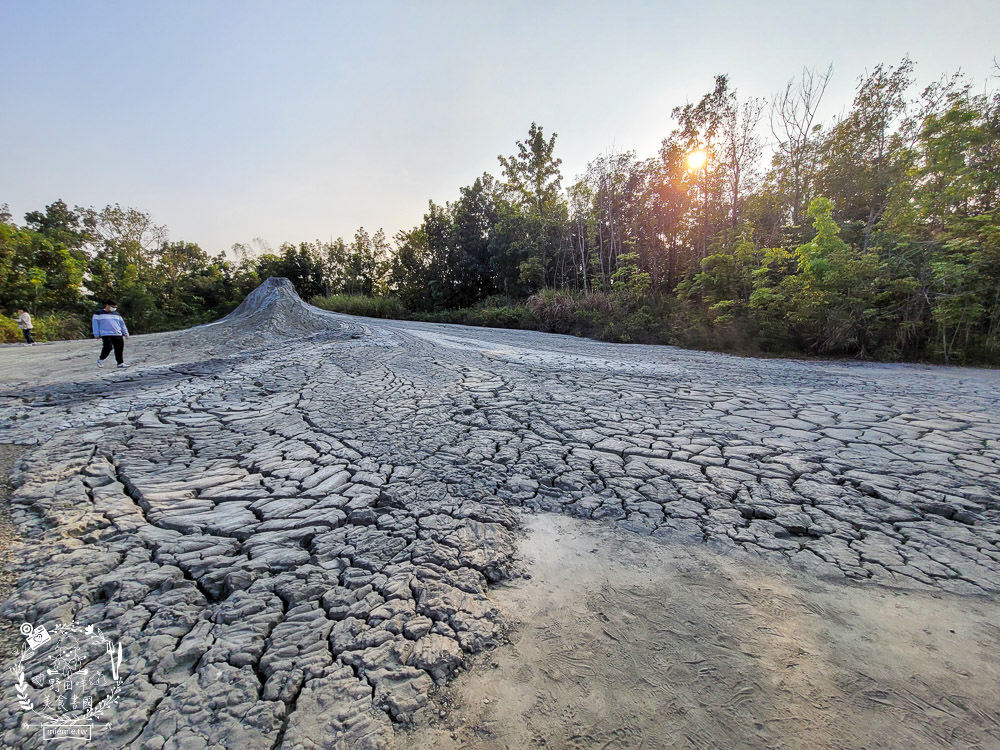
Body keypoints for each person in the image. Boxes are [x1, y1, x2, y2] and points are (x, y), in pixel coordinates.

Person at [92, 300, 129, 369]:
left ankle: (120, 363)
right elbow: (95, 324)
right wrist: (96, 333)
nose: (114, 308)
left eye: (115, 307)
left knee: (119, 348)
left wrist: (125, 333)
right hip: (106, 333)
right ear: (107, 305)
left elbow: (122, 324)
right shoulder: (98, 313)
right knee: (108, 347)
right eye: (113, 306)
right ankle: (101, 359)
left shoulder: (117, 314)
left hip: (117, 333)